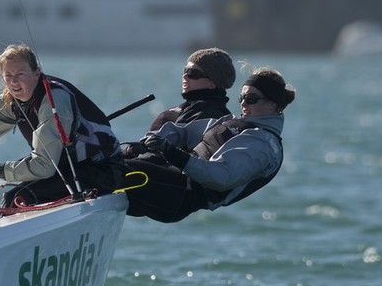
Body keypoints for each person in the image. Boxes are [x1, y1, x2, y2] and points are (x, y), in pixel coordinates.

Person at [0, 44, 126, 210]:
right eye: (8, 76)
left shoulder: (54, 100)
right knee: (16, 197)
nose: (14, 82)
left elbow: (44, 166)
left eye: (20, 74)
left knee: (19, 197)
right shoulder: (11, 101)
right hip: (65, 169)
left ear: (37, 73)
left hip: (102, 169)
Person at [123, 67, 295, 223]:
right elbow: (183, 132)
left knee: (110, 171)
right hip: (171, 178)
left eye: (251, 98)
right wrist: (146, 144)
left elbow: (221, 176)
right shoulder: (231, 122)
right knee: (110, 161)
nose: (243, 103)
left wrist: (174, 154)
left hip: (181, 196)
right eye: (242, 97)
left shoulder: (263, 144)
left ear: (273, 104)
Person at [122, 47, 235, 159]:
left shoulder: (211, 114)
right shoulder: (190, 107)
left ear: (212, 82)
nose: (185, 76)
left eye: (192, 73)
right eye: (185, 71)